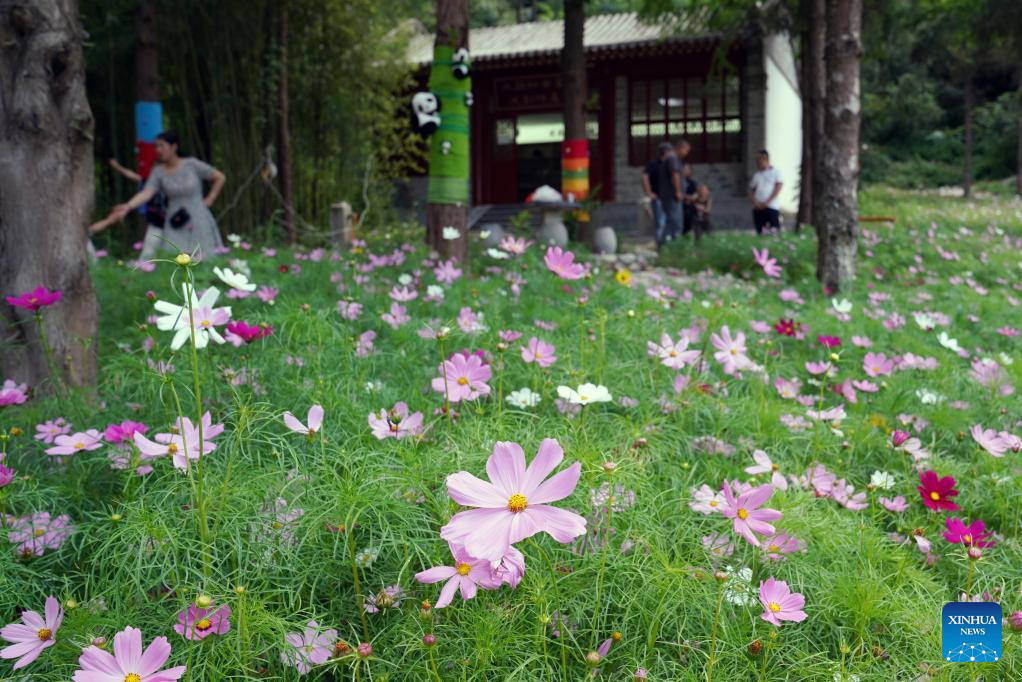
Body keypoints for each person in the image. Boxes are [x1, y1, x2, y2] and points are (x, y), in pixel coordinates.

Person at [112, 132, 226, 260]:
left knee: (204, 254)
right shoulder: (158, 172)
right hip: (175, 219)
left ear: (173, 147)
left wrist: (210, 198)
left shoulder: (191, 164)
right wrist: (128, 206)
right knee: (174, 255)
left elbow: (219, 177)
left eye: (162, 146)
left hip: (198, 215)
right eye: (156, 146)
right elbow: (147, 192)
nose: (158, 150)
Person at [109, 158, 167, 230]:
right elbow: (132, 175)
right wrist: (117, 166)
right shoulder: (148, 181)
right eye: (154, 168)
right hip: (155, 220)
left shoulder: (173, 182)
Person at [656, 138, 689, 249]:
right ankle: (668, 247)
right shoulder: (673, 158)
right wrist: (678, 191)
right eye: (686, 150)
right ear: (680, 148)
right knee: (675, 223)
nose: (686, 153)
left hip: (670, 196)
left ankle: (666, 246)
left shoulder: (672, 159)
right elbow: (675, 175)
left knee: (672, 222)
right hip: (672, 197)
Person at [641, 142, 672, 246]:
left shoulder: (670, 164)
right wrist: (648, 193)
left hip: (670, 198)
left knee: (670, 222)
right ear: (665, 152)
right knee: (661, 222)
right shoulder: (654, 164)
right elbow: (644, 176)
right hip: (659, 198)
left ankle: (669, 245)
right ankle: (661, 246)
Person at [748, 149, 783, 235]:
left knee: (774, 231)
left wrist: (767, 202)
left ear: (765, 159)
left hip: (772, 207)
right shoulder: (756, 175)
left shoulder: (776, 172)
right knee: (760, 232)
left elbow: (778, 188)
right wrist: (756, 203)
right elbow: (751, 191)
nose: (757, 162)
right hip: (758, 208)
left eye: (758, 159)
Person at [680, 162, 698, 236]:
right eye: (685, 169)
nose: (687, 171)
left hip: (690, 206)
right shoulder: (678, 181)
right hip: (681, 206)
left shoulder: (692, 182)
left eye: (688, 169)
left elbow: (696, 193)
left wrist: (693, 197)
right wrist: (687, 197)